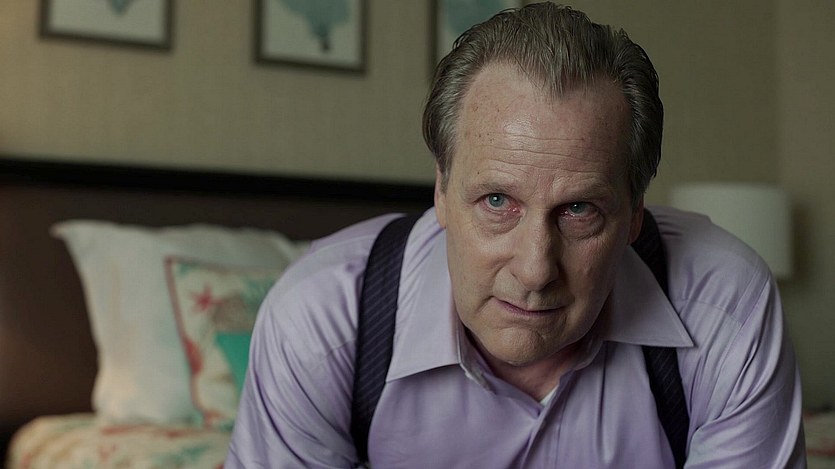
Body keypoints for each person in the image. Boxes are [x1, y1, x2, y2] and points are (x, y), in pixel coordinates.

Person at [226, 3, 805, 467]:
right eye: (498, 201)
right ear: (441, 191)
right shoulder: (325, 322)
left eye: (578, 209)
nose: (535, 269)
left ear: (634, 214)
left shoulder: (723, 305)